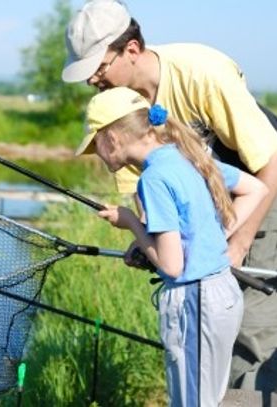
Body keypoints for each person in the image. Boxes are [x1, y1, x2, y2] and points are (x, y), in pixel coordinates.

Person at [62, 0, 277, 402]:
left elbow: (268, 166)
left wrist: (237, 243)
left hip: (265, 180)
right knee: (213, 339)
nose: (92, 79)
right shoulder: (128, 114)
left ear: (132, 49)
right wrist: (144, 238)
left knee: (251, 329)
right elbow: (148, 200)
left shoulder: (201, 72)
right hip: (215, 197)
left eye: (98, 67)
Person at [76, 86, 267, 406]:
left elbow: (172, 266)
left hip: (195, 302)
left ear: (112, 138)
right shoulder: (188, 157)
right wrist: (212, 237)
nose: (96, 154)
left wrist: (132, 223)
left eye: (95, 145)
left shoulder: (152, 180)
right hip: (222, 293)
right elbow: (256, 189)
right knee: (209, 398)